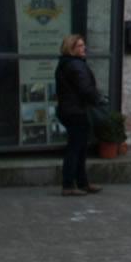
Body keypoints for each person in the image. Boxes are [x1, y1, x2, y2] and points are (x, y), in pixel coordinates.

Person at [54, 33, 104, 197]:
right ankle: (68, 184)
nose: (84, 48)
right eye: (80, 46)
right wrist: (98, 99)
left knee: (80, 148)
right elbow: (85, 88)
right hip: (75, 111)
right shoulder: (75, 65)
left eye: (83, 45)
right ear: (71, 49)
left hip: (70, 109)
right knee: (75, 148)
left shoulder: (66, 64)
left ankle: (82, 182)